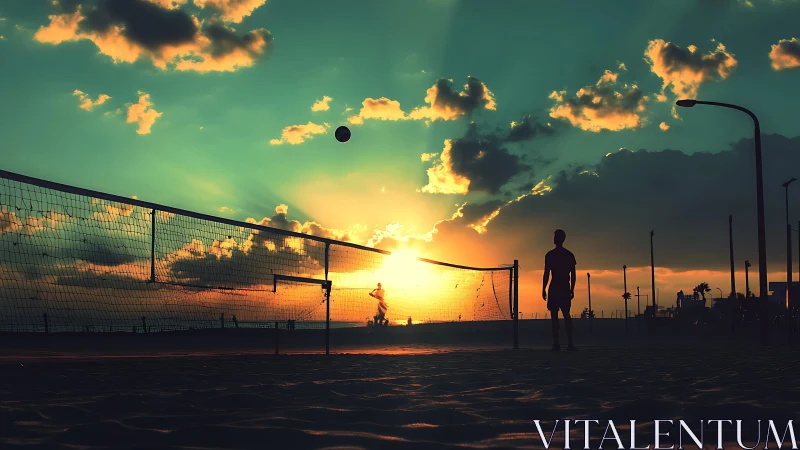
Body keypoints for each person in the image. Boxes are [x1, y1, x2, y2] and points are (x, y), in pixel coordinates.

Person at [542, 229, 577, 351]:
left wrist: (543, 288)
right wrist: (572, 289)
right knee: (564, 315)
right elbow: (573, 275)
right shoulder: (568, 255)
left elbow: (547, 273)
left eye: (555, 236)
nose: (554, 238)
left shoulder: (551, 255)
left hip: (557, 287)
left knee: (558, 316)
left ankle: (560, 343)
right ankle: (565, 343)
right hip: (562, 287)